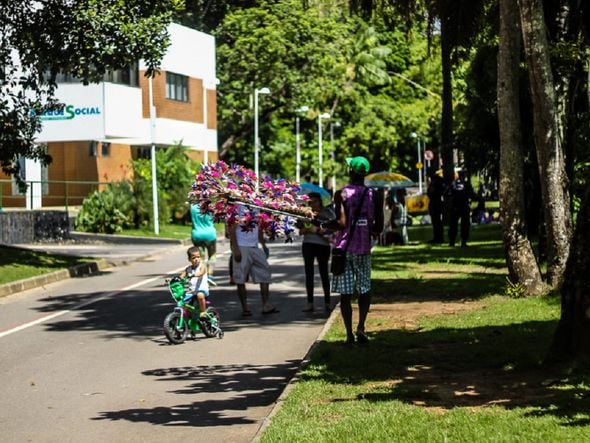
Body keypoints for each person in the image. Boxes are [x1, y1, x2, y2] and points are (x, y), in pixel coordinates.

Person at [330, 156, 384, 345]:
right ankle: (361, 327)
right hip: (364, 249)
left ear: (350, 172)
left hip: (344, 249)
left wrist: (324, 224)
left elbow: (341, 223)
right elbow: (378, 227)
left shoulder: (342, 194)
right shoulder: (375, 195)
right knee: (364, 288)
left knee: (345, 293)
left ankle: (349, 335)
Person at [228, 205, 277, 316]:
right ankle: (245, 308)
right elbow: (231, 228)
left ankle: (266, 305)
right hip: (241, 246)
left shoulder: (256, 205)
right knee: (240, 278)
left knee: (265, 273)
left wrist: (263, 244)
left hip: (255, 246)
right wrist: (235, 248)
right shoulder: (237, 206)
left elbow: (258, 227)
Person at [297, 192, 335, 313]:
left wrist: (317, 230)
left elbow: (332, 230)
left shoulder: (327, 213)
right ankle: (310, 303)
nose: (312, 204)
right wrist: (307, 228)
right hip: (308, 244)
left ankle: (328, 302)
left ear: (320, 201)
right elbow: (300, 231)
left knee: (324, 273)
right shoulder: (306, 214)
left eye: (314, 201)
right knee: (309, 274)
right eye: (310, 202)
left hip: (323, 246)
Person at [189, 203, 217, 285]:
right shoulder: (212, 206)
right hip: (210, 234)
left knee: (201, 257)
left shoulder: (192, 207)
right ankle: (210, 275)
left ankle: (203, 274)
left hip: (197, 234)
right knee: (212, 255)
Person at [179, 246, 210, 319]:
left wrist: (196, 274)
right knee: (185, 303)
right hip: (192, 291)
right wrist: (172, 280)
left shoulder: (202, 266)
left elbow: (202, 272)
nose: (196, 259)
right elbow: (181, 277)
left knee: (200, 295)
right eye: (193, 258)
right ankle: (189, 319)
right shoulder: (188, 269)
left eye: (198, 257)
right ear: (189, 259)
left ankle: (203, 311)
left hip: (201, 289)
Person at [448, 169, 476, 247]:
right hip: (464, 206)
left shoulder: (453, 184)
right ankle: (463, 241)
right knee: (465, 225)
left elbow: (447, 193)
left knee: (453, 225)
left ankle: (452, 241)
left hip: (454, 206)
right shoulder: (466, 184)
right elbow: (472, 195)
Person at [427, 170, 445, 244]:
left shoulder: (436, 183)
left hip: (436, 204)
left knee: (437, 222)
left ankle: (438, 237)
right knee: (436, 222)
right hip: (435, 204)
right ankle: (437, 237)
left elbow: (431, 193)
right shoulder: (436, 182)